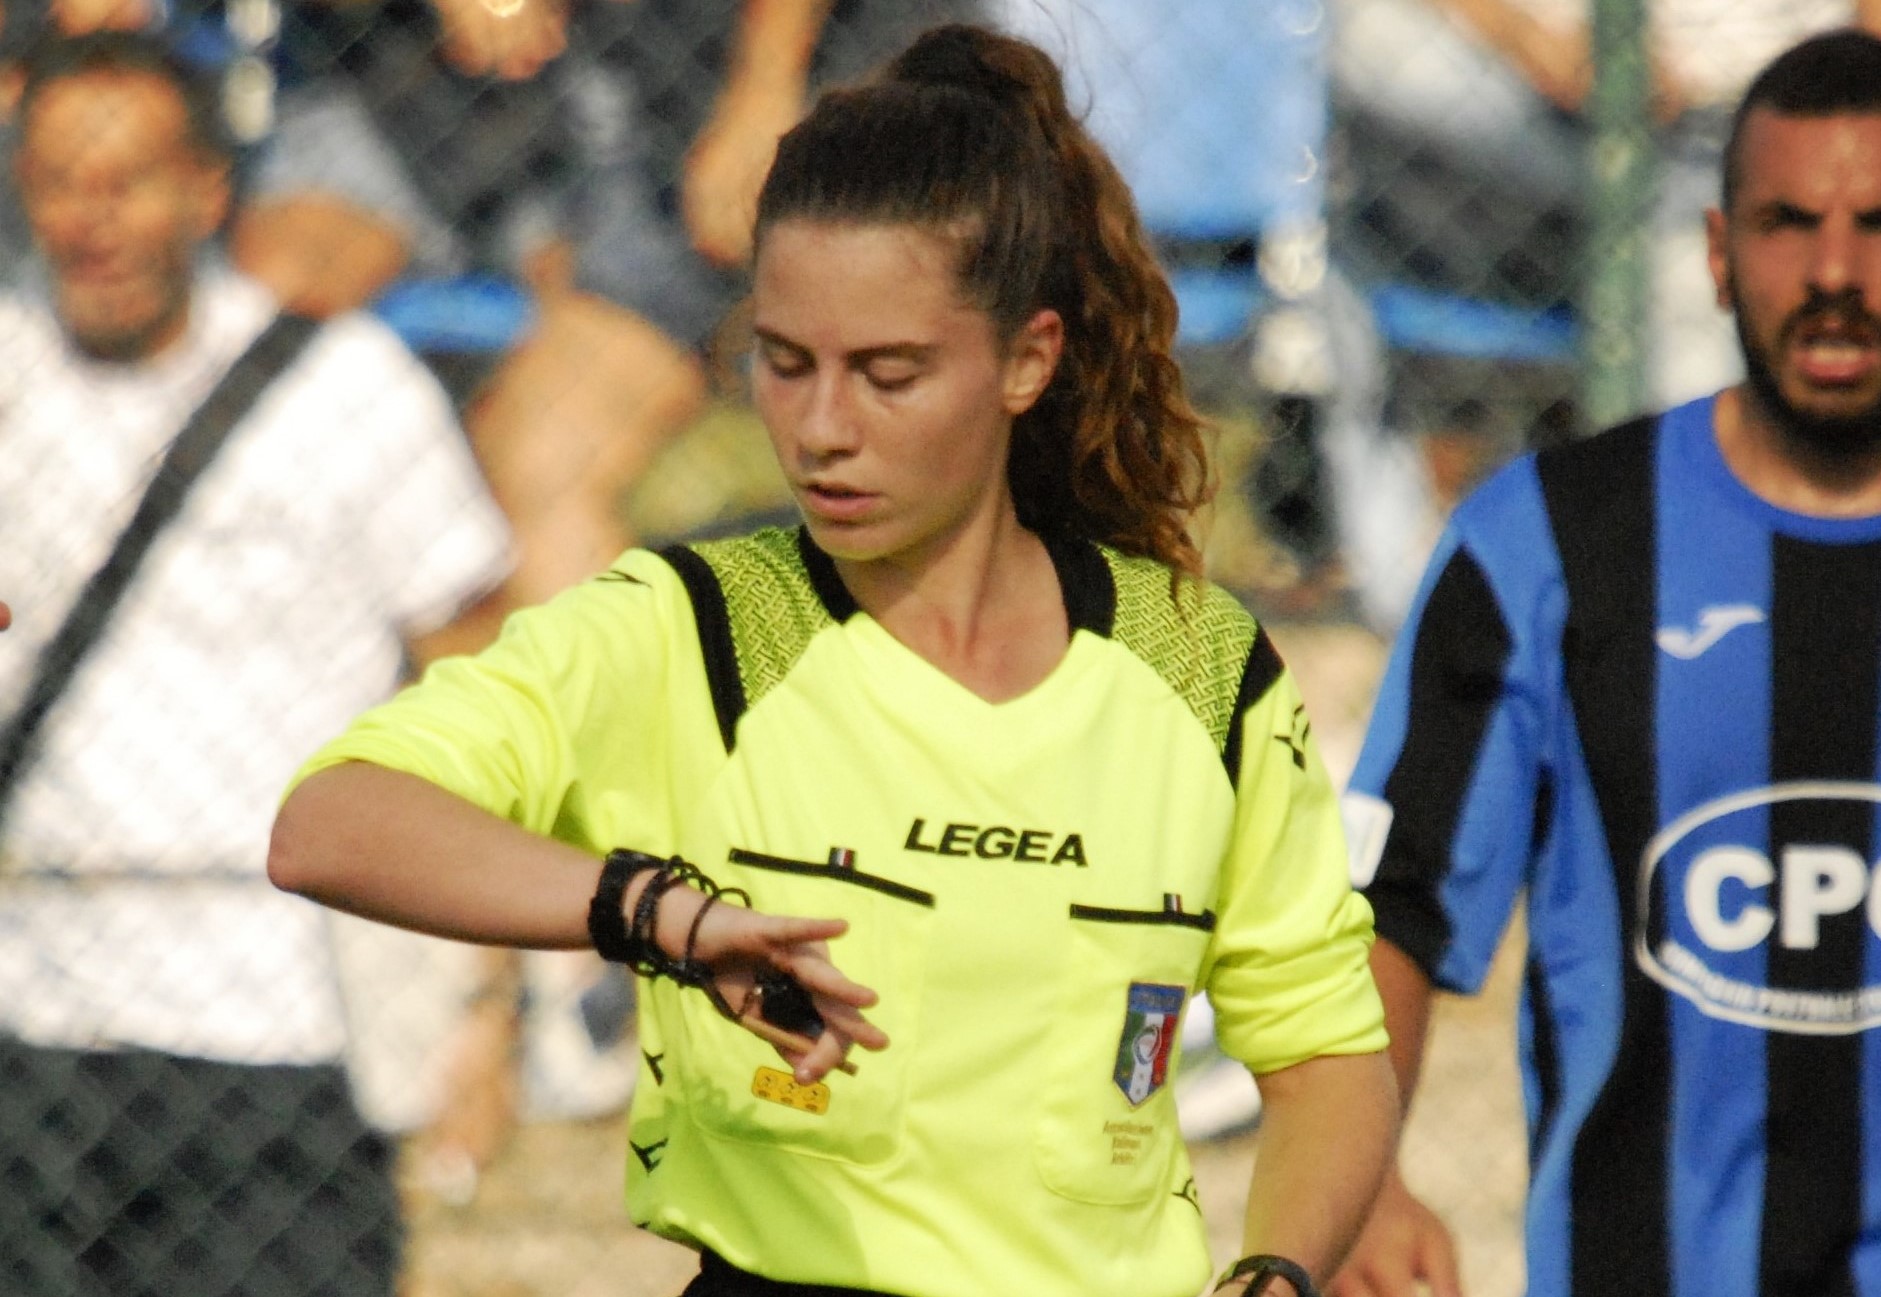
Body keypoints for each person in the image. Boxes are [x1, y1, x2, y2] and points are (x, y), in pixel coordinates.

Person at [269, 22, 1398, 1297]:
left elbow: (1326, 1057)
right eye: (784, 364)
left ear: (1029, 358)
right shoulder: (697, 627)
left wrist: (1279, 1273)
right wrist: (658, 917)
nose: (820, 429)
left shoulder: (1197, 668)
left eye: (889, 374)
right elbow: (329, 824)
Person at [1329, 27, 1881, 1297]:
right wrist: (1360, 1179)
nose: (1836, 271)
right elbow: (1388, 905)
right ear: (1718, 252)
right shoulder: (1549, 544)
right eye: (1789, 223)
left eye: (1874, 223)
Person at [0, 31, 522, 1296]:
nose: (92, 219)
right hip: (27, 1022)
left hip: (279, 1028)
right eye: (62, 180)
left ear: (208, 192)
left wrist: (488, 1002)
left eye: (127, 181)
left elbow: (488, 688)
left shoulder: (346, 389)